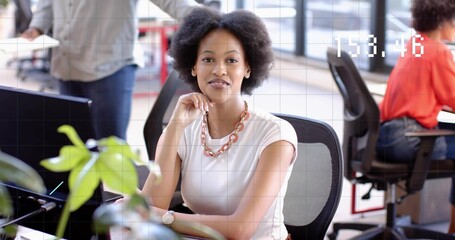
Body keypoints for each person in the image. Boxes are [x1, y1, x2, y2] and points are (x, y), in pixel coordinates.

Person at [140, 7, 297, 239]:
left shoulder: (275, 134)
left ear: (247, 68)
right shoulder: (184, 128)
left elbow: (240, 229)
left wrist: (166, 218)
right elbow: (150, 208)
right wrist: (174, 126)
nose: (219, 70)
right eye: (208, 59)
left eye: (231, 60)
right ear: (193, 67)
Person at [21, 0, 200, 140]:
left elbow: (176, 2)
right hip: (66, 65)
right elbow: (47, 3)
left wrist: (210, 21)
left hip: (110, 67)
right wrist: (36, 27)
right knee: (75, 143)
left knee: (109, 147)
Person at [376, 0, 455, 233]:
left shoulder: (415, 44)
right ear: (443, 21)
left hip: (386, 135)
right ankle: (453, 228)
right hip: (407, 138)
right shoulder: (438, 51)